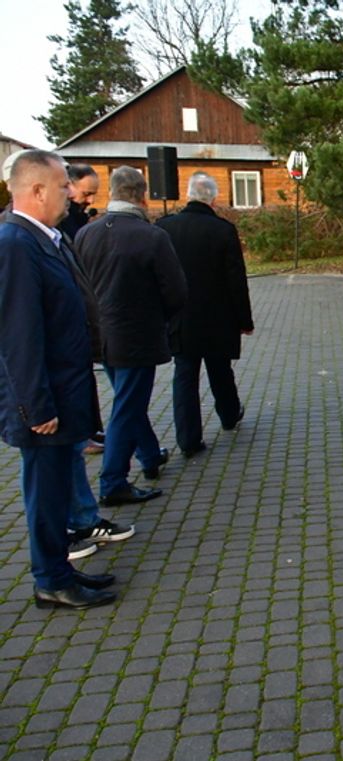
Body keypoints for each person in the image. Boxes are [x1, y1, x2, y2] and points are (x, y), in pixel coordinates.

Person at [0, 150, 116, 609]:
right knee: (45, 496)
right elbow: (18, 335)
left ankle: (61, 570)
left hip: (63, 390)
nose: (71, 193)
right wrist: (36, 407)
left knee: (55, 491)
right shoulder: (14, 244)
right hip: (43, 402)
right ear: (36, 190)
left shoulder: (45, 238)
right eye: (63, 184)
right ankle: (49, 578)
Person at [75, 166, 187, 506]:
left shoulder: (85, 234)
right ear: (142, 195)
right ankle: (113, 481)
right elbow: (176, 291)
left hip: (99, 335)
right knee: (126, 406)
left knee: (126, 400)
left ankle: (150, 455)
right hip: (137, 335)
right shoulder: (150, 236)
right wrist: (162, 319)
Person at [157, 172, 254, 457]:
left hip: (179, 317)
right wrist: (244, 321)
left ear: (187, 195)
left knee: (184, 375)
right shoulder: (223, 230)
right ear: (213, 199)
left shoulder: (164, 228)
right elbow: (236, 280)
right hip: (217, 318)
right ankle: (228, 414)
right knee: (220, 370)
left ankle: (188, 439)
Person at [58, 163, 99, 241]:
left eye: (94, 194)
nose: (91, 201)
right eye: (86, 194)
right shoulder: (56, 223)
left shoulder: (80, 219)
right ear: (68, 186)